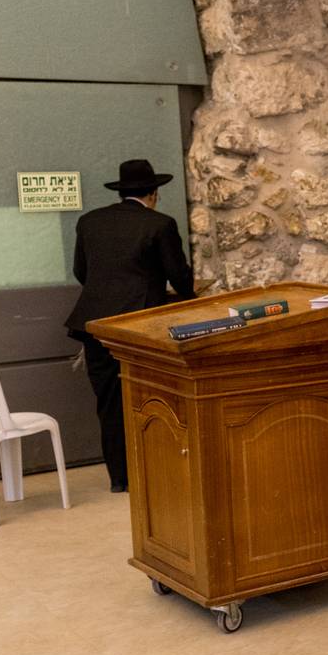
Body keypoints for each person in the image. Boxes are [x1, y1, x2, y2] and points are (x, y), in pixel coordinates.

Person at [64, 159, 194, 493]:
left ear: (122, 192)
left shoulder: (90, 222)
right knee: (151, 398)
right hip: (140, 325)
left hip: (97, 324)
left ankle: (120, 479)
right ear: (154, 193)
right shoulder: (160, 225)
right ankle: (151, 470)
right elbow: (179, 278)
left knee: (109, 402)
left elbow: (83, 272)